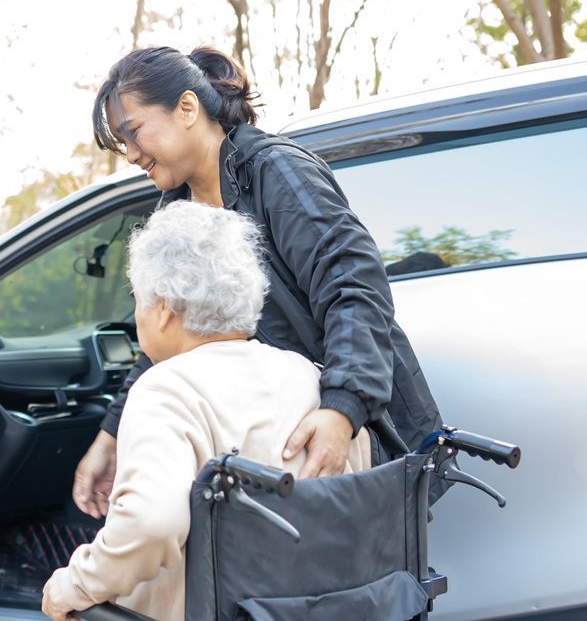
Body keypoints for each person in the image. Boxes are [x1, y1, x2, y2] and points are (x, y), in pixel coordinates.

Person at [73, 45, 445, 521]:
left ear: (187, 108)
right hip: (269, 449)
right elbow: (167, 338)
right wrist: (111, 435)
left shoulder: (277, 173)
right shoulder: (177, 210)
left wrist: (342, 408)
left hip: (344, 434)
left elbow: (354, 288)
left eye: (134, 132)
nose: (129, 153)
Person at [42, 201, 371, 621]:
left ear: (163, 308)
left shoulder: (165, 388)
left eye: (137, 300)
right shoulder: (308, 375)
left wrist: (71, 585)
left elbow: (150, 526)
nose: (137, 315)